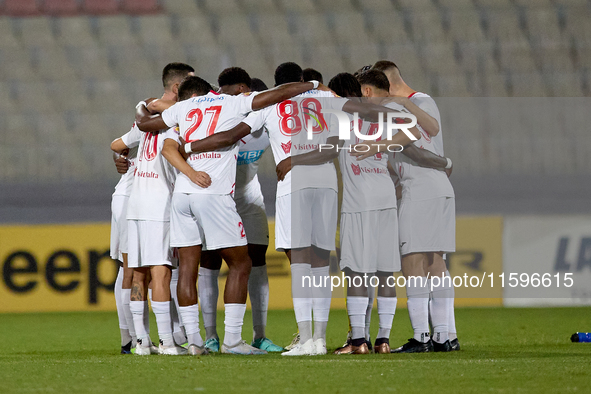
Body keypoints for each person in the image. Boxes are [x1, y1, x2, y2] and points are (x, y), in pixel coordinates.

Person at [174, 63, 421, 356]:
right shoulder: (327, 99)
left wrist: (189, 148)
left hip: (294, 186)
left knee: (301, 265)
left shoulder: (269, 106)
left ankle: (306, 341)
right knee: (320, 264)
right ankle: (318, 338)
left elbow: (230, 136)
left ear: (277, 86)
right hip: (327, 183)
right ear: (302, 80)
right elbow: (353, 124)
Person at [137, 75, 323, 355]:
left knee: (188, 268)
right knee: (241, 263)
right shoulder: (231, 103)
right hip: (213, 193)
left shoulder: (181, 110)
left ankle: (196, 343)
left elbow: (148, 127)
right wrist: (312, 85)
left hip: (182, 195)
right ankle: (233, 340)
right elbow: (274, 95)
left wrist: (143, 105)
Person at [355, 68, 456, 353]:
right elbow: (424, 134)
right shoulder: (400, 105)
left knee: (412, 264)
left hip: (421, 191)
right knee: (435, 264)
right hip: (439, 191)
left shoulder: (386, 108)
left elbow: (411, 141)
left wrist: (377, 145)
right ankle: (442, 336)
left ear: (367, 91)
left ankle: (422, 338)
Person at [111, 62, 196, 356]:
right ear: (177, 88)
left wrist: (122, 156)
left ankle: (141, 342)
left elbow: (117, 143)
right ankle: (168, 342)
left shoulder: (145, 118)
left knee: (137, 274)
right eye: (192, 84)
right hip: (159, 204)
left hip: (135, 203)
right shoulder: (178, 119)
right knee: (161, 273)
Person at [196, 67, 282, 353]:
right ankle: (211, 335)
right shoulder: (218, 120)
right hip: (216, 198)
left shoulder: (267, 123)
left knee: (257, 264)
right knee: (208, 263)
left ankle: (260, 335)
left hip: (249, 200)